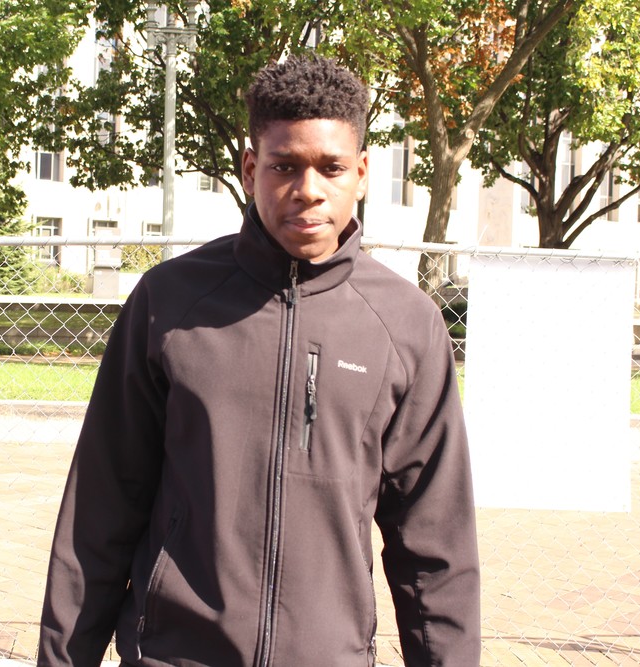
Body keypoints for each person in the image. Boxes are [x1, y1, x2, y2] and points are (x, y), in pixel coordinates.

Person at [38, 55, 480, 666]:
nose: (309, 190)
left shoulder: (406, 326)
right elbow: (101, 506)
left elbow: (434, 545)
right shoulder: (170, 304)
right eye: (284, 166)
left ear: (361, 173)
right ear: (251, 169)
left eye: (331, 168)